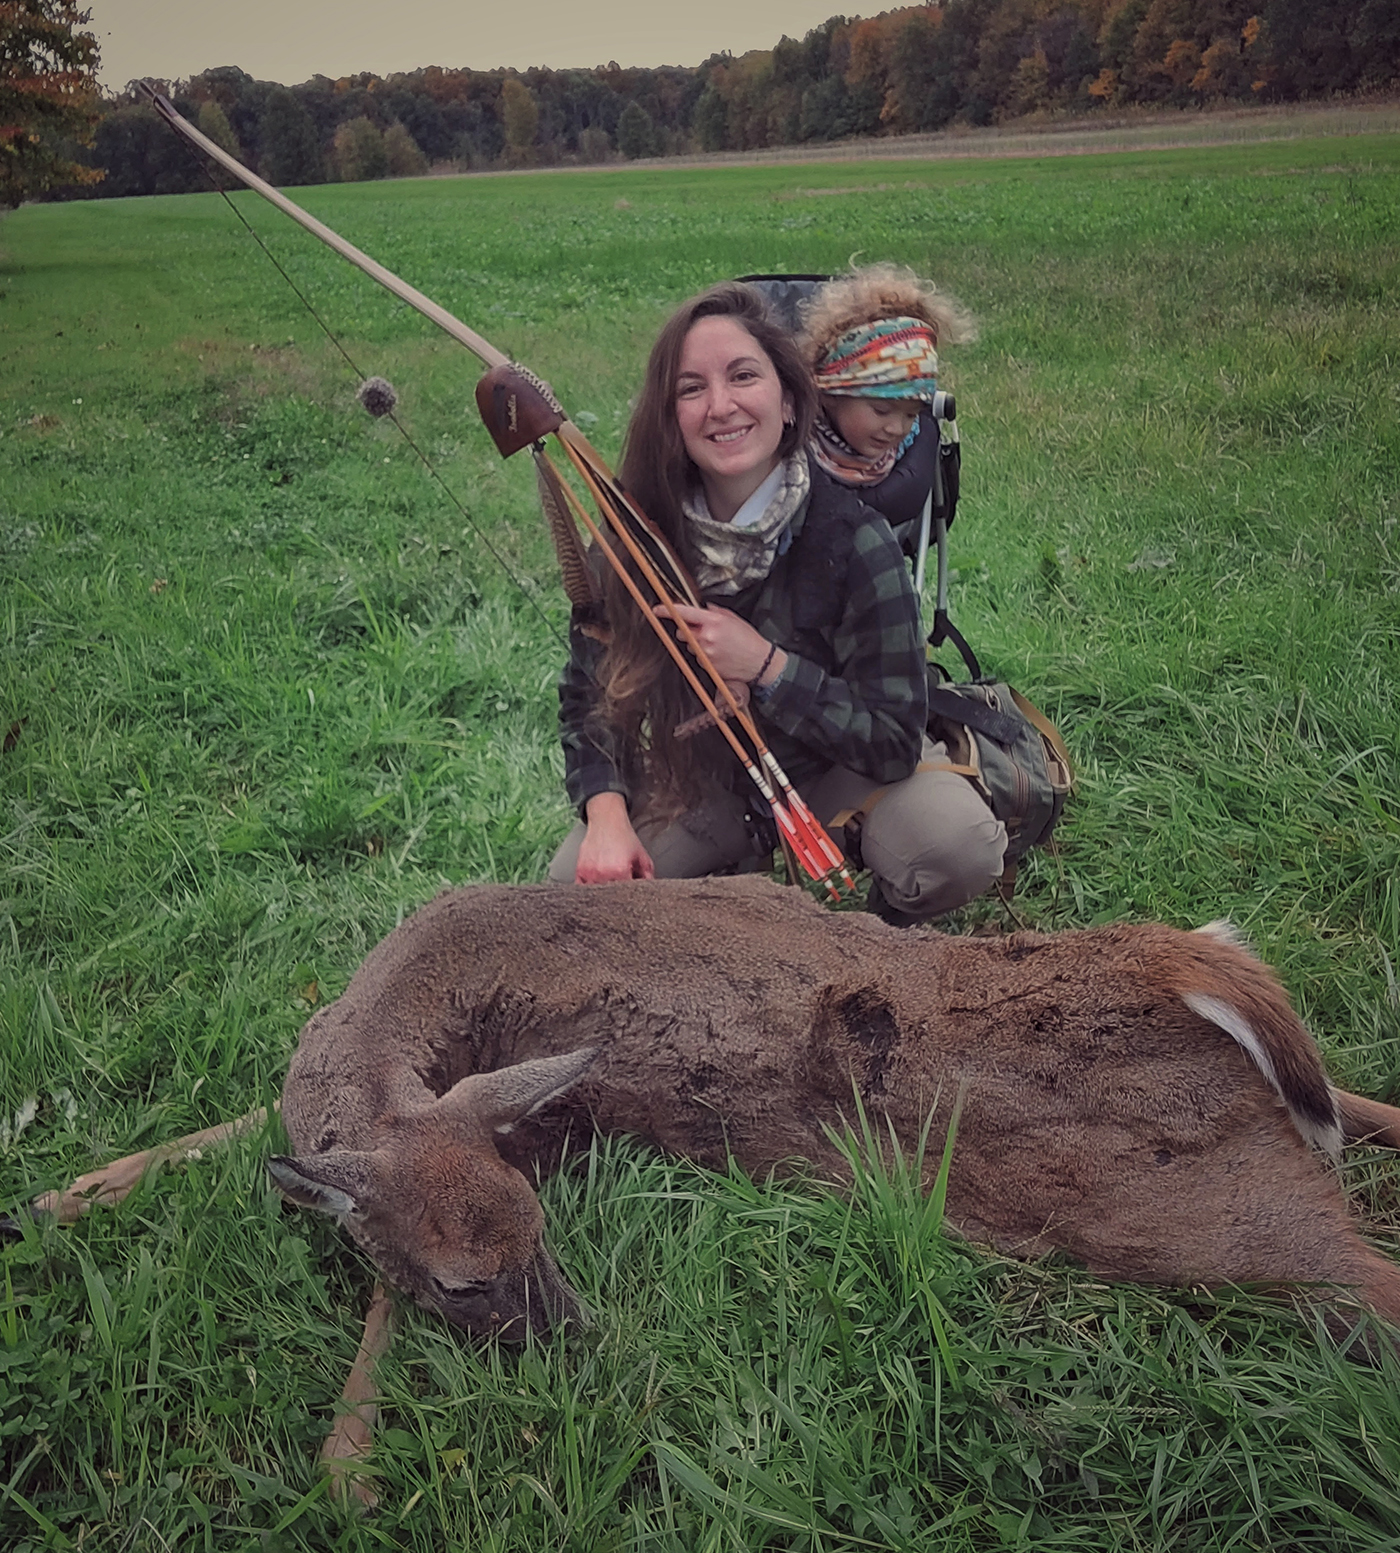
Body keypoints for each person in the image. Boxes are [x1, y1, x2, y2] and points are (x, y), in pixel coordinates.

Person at [546, 280, 1005, 923]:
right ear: (670, 417)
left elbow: (894, 740)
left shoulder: (858, 539)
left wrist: (767, 667)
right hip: (702, 783)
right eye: (691, 388)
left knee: (955, 846)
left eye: (743, 376)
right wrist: (606, 815)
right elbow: (587, 697)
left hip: (836, 771)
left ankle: (872, 937)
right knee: (576, 893)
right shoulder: (633, 543)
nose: (721, 406)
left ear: (790, 402)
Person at [799, 264, 976, 557]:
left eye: (911, 414)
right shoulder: (796, 439)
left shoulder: (908, 443)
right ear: (830, 395)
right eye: (881, 410)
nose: (896, 428)